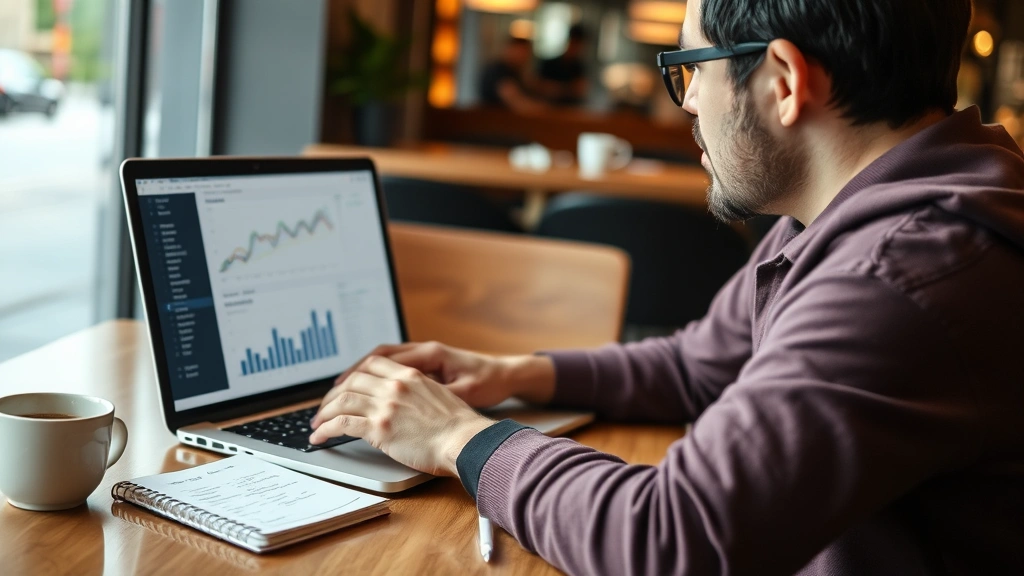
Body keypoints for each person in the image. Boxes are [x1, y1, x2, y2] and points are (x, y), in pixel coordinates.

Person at [310, 0, 1024, 573]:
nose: (687, 105)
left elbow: (671, 538)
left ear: (781, 80)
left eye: (689, 67)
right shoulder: (841, 212)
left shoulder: (901, 274)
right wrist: (511, 374)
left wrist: (460, 438)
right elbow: (696, 364)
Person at [479, 37, 546, 114]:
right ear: (508, 49)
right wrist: (546, 109)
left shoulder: (515, 71)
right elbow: (516, 101)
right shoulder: (498, 70)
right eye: (520, 51)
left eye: (526, 52)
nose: (524, 56)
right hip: (495, 120)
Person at [535, 24, 589, 106]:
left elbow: (581, 91)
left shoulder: (579, 66)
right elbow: (541, 87)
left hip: (571, 110)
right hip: (548, 109)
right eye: (575, 43)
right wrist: (569, 89)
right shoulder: (550, 64)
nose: (577, 48)